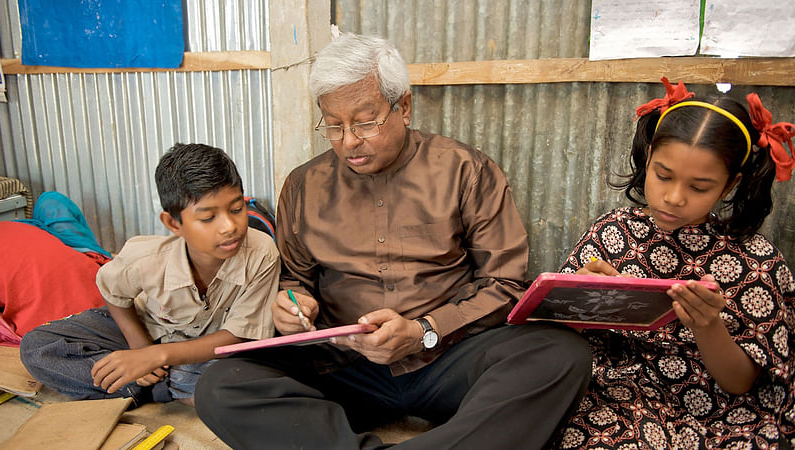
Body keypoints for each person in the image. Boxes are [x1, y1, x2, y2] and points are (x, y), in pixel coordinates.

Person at [194, 32, 592, 449]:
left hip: (447, 359)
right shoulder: (302, 186)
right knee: (223, 384)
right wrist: (293, 305)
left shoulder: (466, 171)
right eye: (333, 124)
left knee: (559, 354)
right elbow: (295, 278)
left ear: (403, 106)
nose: (348, 141)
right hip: (345, 367)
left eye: (365, 122)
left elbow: (505, 283)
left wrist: (425, 330)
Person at [555, 78, 795, 448]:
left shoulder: (757, 262)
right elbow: (552, 336)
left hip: (721, 417)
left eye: (699, 187)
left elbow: (741, 383)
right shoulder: (614, 233)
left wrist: (708, 324)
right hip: (618, 399)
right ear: (648, 159)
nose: (674, 197)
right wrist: (584, 303)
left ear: (729, 185)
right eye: (663, 176)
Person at [19, 143, 280, 407]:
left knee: (259, 367)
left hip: (212, 350)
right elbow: (112, 292)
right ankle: (168, 385)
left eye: (236, 210)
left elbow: (239, 335)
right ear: (173, 223)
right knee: (37, 347)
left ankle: (149, 386)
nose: (229, 227)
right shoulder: (145, 258)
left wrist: (156, 357)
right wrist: (140, 347)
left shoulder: (261, 253)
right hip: (149, 327)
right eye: (208, 217)